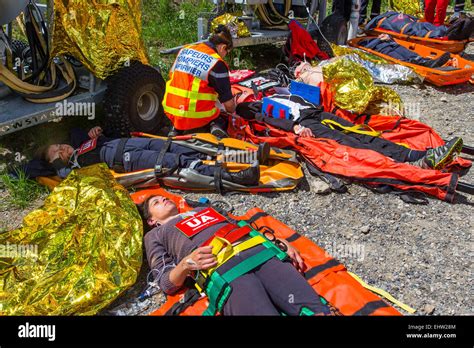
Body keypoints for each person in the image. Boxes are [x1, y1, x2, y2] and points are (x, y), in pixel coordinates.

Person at [140, 195, 333, 315]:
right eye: (156, 202)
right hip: (225, 270)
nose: (164, 199)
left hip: (260, 253)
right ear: (151, 220)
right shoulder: (155, 235)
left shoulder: (204, 210)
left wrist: (279, 242)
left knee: (315, 310)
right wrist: (185, 265)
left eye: (163, 197)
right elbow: (165, 283)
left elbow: (243, 226)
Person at [236, 101, 464, 171]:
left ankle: (419, 154)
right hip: (302, 122)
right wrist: (293, 127)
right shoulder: (248, 104)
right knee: (352, 144)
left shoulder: (273, 86)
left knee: (363, 134)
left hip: (316, 112)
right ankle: (416, 163)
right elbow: (261, 118)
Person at [35, 126, 261, 186]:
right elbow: (63, 175)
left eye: (58, 145)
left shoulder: (82, 142)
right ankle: (238, 177)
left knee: (183, 148)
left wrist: (96, 131)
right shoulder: (73, 168)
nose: (61, 149)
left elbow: (102, 133)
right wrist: (56, 162)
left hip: (130, 143)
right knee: (177, 162)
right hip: (125, 160)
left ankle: (245, 156)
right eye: (56, 153)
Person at [163, 25, 235, 139]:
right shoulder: (217, 63)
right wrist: (234, 110)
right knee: (223, 114)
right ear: (223, 47)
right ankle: (214, 126)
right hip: (196, 116)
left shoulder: (185, 50)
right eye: (227, 52)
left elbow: (173, 76)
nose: (225, 56)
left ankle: (176, 128)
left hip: (171, 110)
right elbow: (229, 105)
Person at [358, 33, 452, 68]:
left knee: (411, 54)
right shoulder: (364, 42)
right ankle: (424, 64)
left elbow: (392, 40)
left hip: (394, 46)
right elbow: (366, 49)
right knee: (402, 60)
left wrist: (388, 37)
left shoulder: (378, 37)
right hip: (385, 50)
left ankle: (426, 61)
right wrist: (378, 40)